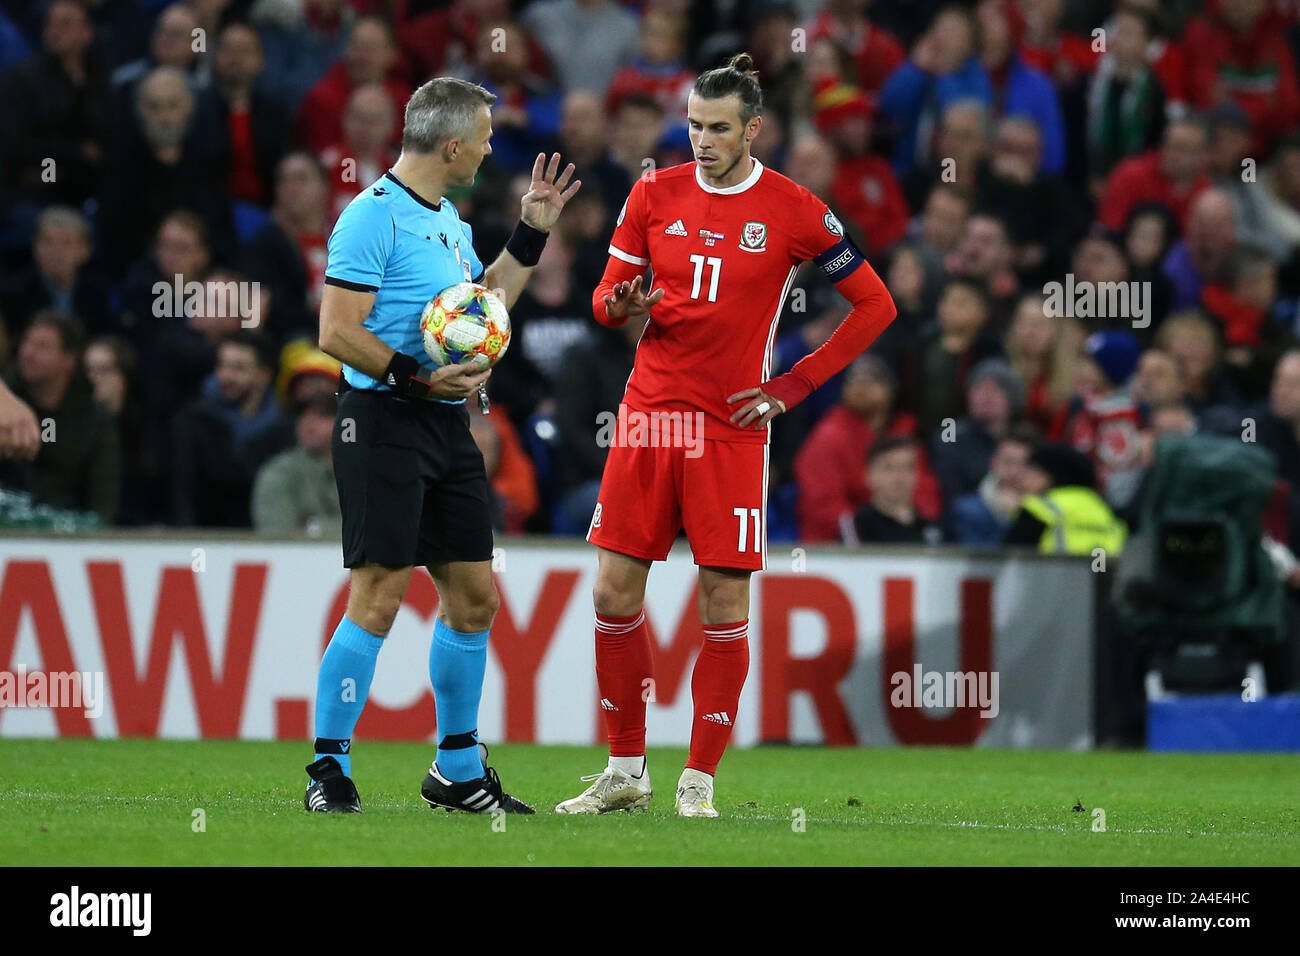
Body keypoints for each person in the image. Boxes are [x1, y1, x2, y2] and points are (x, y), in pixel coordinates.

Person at [558, 54, 896, 818]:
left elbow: (875, 305)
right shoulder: (653, 191)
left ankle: (699, 780)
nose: (702, 140)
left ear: (753, 129)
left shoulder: (795, 209)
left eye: (717, 128)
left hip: (730, 426)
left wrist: (793, 385)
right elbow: (605, 296)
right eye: (693, 125)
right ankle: (624, 769)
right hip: (647, 413)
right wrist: (624, 303)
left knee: (721, 603)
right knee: (613, 592)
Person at [308, 76, 580, 814]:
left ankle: (456, 769)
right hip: (383, 423)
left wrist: (533, 229)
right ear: (453, 143)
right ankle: (327, 770)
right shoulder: (370, 218)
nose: (493, 147)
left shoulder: (451, 222)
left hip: (444, 422)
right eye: (487, 136)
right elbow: (336, 331)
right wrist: (412, 379)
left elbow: (484, 301)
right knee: (380, 593)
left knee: (473, 596)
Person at [1003, 443, 1126, 555]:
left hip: (1053, 577)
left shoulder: (1040, 508)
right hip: (1101, 577)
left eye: (1029, 471)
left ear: (1047, 476)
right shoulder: (1105, 510)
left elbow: (1010, 556)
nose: (1022, 478)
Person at [251, 392, 340, 535]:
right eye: (303, 414)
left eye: (323, 415)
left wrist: (315, 528)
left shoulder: (364, 471)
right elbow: (276, 534)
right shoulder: (278, 471)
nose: (309, 423)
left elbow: (375, 529)